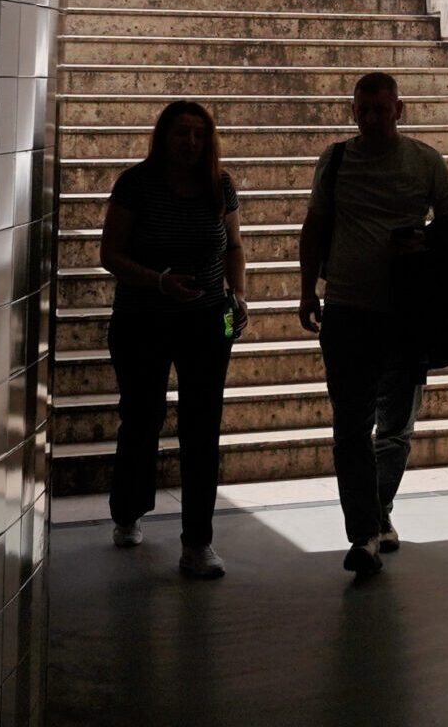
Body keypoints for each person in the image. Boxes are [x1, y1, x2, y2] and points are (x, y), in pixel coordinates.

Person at [299, 72, 448, 577]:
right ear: (353, 112)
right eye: (363, 110)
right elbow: (315, 226)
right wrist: (306, 289)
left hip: (408, 313)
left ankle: (377, 513)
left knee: (395, 426)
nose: (371, 118)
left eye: (380, 109)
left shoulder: (425, 161)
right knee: (351, 426)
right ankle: (365, 533)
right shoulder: (335, 160)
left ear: (399, 110)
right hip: (348, 309)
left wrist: (426, 239)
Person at [97, 100, 250, 579]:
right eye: (182, 132)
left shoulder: (220, 185)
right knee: (142, 418)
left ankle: (198, 542)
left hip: (208, 320)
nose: (191, 142)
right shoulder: (136, 184)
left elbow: (234, 246)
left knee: (203, 427)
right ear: (164, 136)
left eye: (199, 134)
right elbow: (110, 253)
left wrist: (239, 294)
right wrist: (159, 281)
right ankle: (128, 510)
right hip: (142, 320)